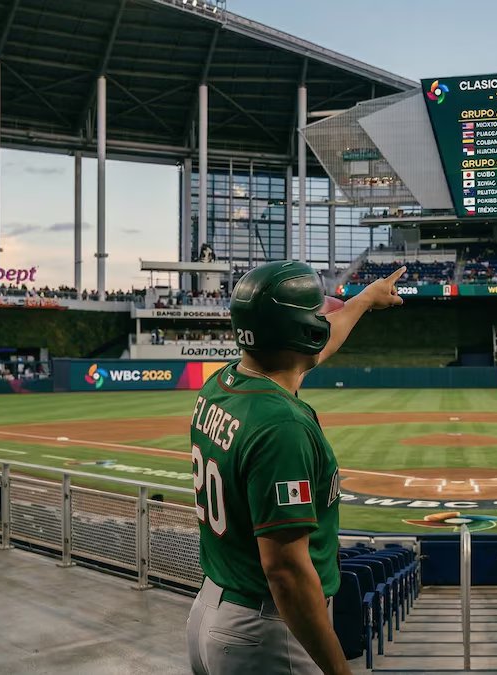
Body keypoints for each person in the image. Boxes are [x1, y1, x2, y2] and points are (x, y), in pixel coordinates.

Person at [186, 261, 406, 675]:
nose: (325, 321)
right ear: (303, 333)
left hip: (212, 609)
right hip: (268, 632)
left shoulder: (222, 384)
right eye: (317, 316)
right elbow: (285, 570)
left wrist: (362, 300)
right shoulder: (281, 425)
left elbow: (309, 350)